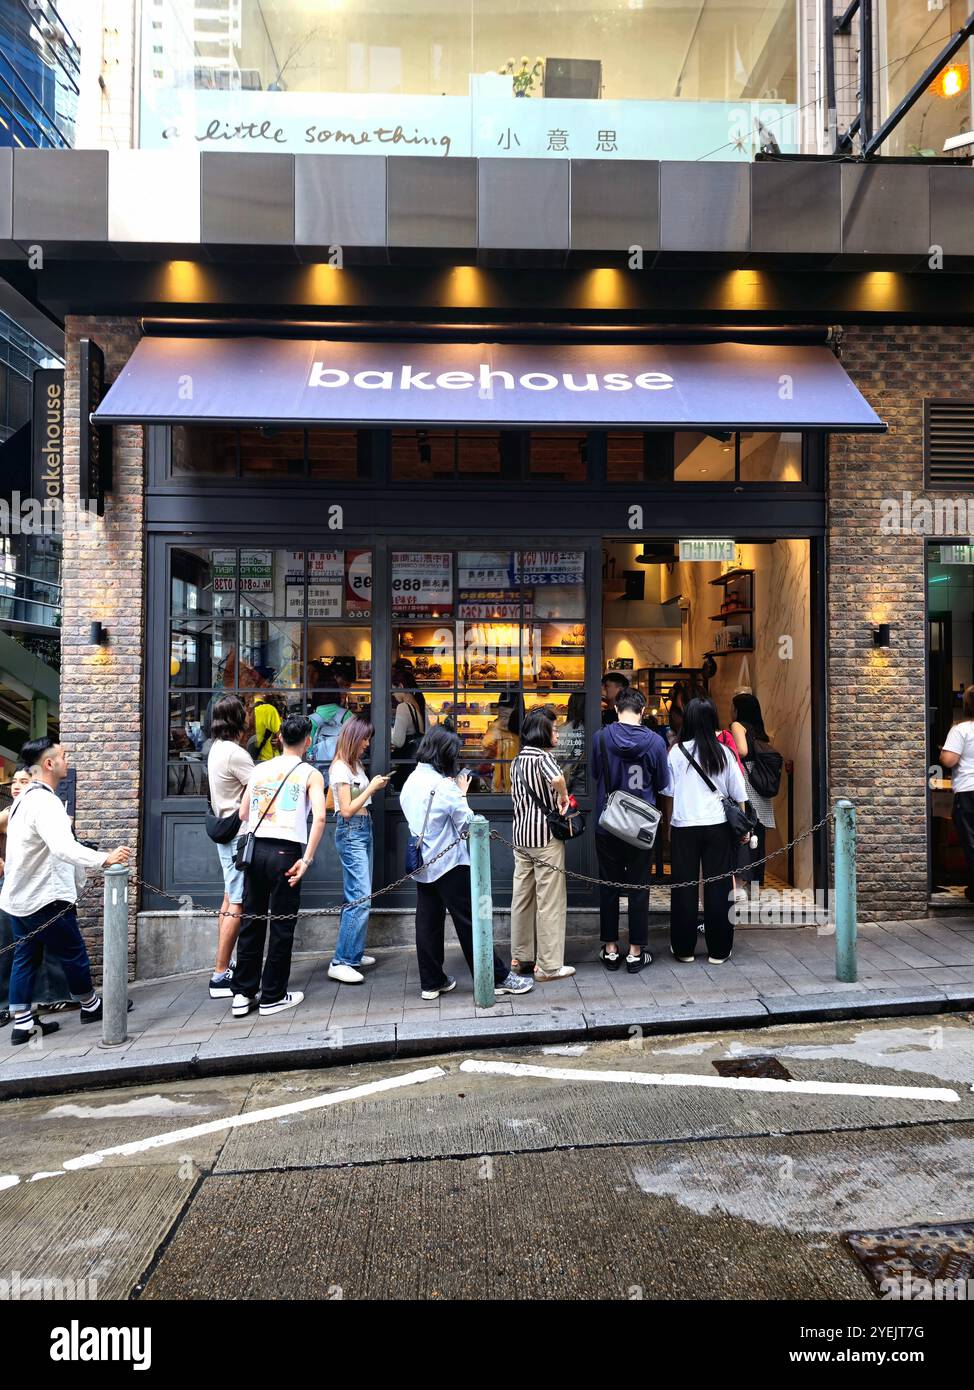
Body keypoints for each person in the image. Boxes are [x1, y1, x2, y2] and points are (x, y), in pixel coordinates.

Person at [1, 738, 130, 1045]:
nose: (67, 760)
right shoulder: (46, 803)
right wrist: (104, 858)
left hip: (20, 897)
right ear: (49, 764)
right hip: (45, 896)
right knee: (73, 953)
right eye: (63, 755)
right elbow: (63, 848)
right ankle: (91, 1005)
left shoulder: (24, 800)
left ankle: (22, 1024)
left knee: (25, 957)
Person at [400, 726, 533, 1000]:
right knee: (472, 922)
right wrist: (462, 793)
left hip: (423, 862)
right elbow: (469, 824)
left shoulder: (411, 780)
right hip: (449, 863)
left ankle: (431, 982)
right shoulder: (445, 787)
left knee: (427, 922)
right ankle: (496, 978)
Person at [232, 715, 327, 1019]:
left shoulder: (260, 769)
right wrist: (307, 859)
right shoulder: (310, 773)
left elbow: (243, 812)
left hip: (255, 850)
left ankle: (243, 993)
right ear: (308, 741)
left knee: (252, 920)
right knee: (282, 924)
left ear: (281, 738)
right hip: (286, 852)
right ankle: (272, 995)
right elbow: (320, 817)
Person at [591, 687, 671, 973]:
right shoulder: (656, 742)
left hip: (608, 823)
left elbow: (595, 774)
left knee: (609, 886)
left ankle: (611, 949)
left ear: (615, 709)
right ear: (642, 711)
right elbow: (663, 783)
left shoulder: (601, 738)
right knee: (639, 888)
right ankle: (636, 952)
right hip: (640, 827)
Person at [668, 697, 747, 966]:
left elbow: (668, 791)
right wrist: (742, 826)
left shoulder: (676, 752)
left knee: (684, 887)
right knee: (719, 887)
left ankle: (684, 949)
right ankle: (719, 950)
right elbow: (739, 794)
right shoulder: (724, 752)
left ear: (688, 720)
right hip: (718, 826)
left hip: (684, 826)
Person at [509, 707, 575, 982]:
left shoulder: (517, 760)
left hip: (521, 837)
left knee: (522, 898)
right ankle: (548, 966)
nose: (557, 733)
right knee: (550, 901)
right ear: (542, 731)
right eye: (554, 729)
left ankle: (521, 958)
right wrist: (563, 795)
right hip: (545, 838)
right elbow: (557, 778)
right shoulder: (543, 757)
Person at [328, 717, 391, 985]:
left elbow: (345, 801)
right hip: (351, 830)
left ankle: (352, 952)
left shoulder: (354, 765)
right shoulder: (340, 768)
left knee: (358, 894)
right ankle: (341, 961)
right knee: (360, 897)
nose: (367, 744)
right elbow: (345, 810)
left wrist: (372, 786)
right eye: (365, 739)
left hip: (363, 828)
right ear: (353, 738)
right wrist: (371, 788)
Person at [205, 695, 254, 999]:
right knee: (237, 903)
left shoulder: (216, 748)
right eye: (245, 711)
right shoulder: (236, 753)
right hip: (239, 836)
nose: (249, 715)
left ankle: (224, 966)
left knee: (228, 899)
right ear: (238, 718)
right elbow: (262, 785)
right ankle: (220, 975)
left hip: (226, 830)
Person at [730, 691, 777, 888]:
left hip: (746, 780)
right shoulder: (759, 729)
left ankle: (742, 881)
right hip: (759, 781)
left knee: (744, 834)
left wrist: (727, 751)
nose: (731, 711)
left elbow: (742, 751)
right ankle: (756, 883)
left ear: (738, 710)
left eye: (733, 707)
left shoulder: (737, 726)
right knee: (759, 837)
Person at [940, 685, 974, 901]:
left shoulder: (962, 730)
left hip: (969, 791)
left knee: (972, 842)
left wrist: (944, 752)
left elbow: (949, 760)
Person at [308, 687, 352, 788]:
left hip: (318, 771)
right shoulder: (347, 715)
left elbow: (308, 749)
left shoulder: (311, 719)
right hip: (343, 769)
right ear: (337, 694)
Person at [391, 682, 427, 791]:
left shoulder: (403, 707)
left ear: (401, 686)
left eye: (393, 689)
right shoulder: (418, 705)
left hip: (406, 762)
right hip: (416, 762)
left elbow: (398, 742)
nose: (393, 694)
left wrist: (389, 731)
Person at [482, 693, 522, 792]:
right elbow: (485, 749)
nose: (504, 721)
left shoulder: (520, 731)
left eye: (507, 717)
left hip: (516, 785)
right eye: (501, 716)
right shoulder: (495, 728)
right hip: (499, 785)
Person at [250, 691, 282, 763]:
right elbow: (281, 739)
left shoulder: (242, 709)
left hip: (246, 759)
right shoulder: (269, 710)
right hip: (268, 760)